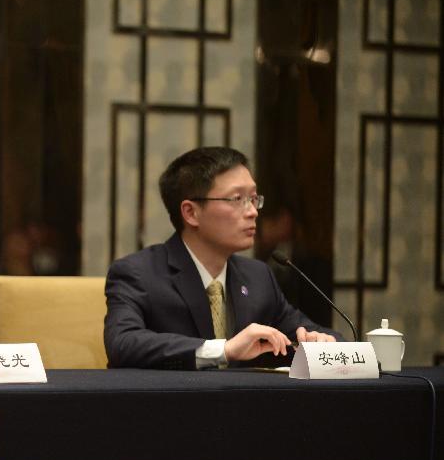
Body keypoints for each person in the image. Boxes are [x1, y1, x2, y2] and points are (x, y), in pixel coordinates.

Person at [104, 146, 340, 370]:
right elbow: (123, 343)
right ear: (191, 212)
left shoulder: (258, 277)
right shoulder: (138, 273)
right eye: (237, 199)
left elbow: (316, 333)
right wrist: (223, 350)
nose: (253, 211)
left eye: (254, 198)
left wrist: (320, 342)